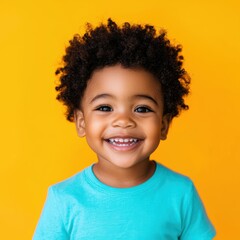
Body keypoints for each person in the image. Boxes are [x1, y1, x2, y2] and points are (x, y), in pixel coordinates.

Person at [33, 18, 216, 239]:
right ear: (81, 122)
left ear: (164, 125)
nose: (123, 120)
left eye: (142, 109)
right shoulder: (63, 199)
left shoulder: (181, 193)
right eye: (104, 107)